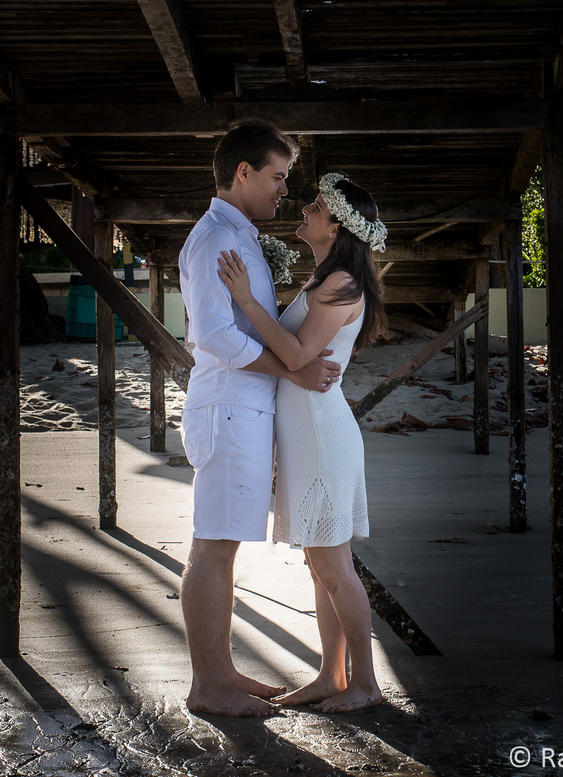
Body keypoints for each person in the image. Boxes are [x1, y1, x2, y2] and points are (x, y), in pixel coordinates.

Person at [178, 120, 343, 717]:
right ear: (243, 173)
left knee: (222, 544)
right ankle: (208, 685)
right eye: (277, 176)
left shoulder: (235, 235)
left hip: (238, 409)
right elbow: (216, 335)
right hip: (228, 408)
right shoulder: (215, 239)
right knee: (214, 546)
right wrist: (292, 372)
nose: (285, 189)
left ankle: (220, 671)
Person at [216, 172, 387, 713]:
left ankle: (366, 683)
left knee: (335, 569)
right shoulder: (327, 279)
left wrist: (246, 300)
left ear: (336, 227)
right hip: (309, 432)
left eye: (316, 206)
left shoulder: (342, 284)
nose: (304, 209)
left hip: (320, 434)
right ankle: (331, 675)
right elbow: (296, 356)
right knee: (322, 568)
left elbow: (295, 355)